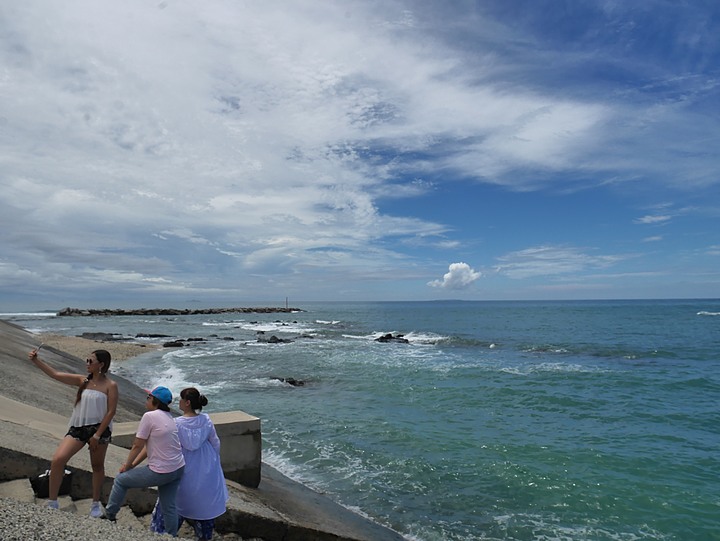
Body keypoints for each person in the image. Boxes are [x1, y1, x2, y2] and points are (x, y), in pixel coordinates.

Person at [28, 346, 118, 517]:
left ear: (101, 364)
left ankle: (95, 504)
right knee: (58, 460)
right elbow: (55, 374)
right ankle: (53, 502)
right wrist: (36, 361)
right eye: (87, 360)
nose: (87, 363)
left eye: (90, 361)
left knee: (97, 466)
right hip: (78, 427)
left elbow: (111, 411)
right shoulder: (82, 380)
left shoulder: (110, 385)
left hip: (99, 430)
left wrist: (97, 435)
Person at [102, 386, 185, 537]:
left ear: (155, 401)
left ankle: (109, 515)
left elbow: (137, 445)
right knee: (169, 506)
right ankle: (172, 535)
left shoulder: (149, 416)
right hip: (178, 469)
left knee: (121, 480)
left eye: (149, 397)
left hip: (162, 470)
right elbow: (147, 448)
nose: (146, 400)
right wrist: (131, 465)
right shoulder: (169, 418)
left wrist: (126, 466)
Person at [150, 387, 228, 540]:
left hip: (182, 466)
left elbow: (170, 446)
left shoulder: (176, 423)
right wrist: (212, 463)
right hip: (204, 466)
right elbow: (215, 443)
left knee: (173, 502)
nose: (178, 402)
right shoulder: (206, 420)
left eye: (180, 399)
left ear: (187, 403)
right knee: (204, 507)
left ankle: (162, 533)